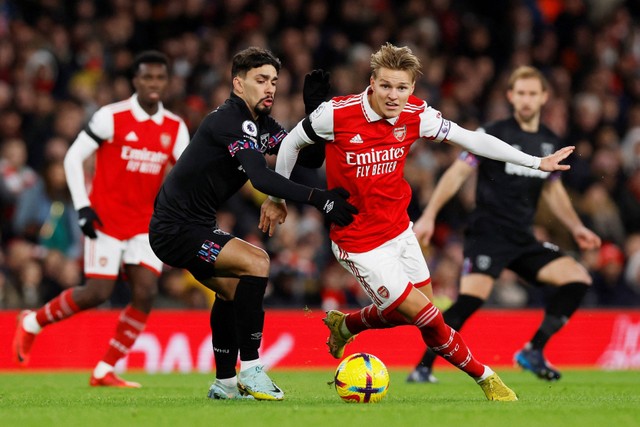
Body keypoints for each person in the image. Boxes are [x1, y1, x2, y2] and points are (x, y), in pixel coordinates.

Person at [263, 44, 576, 402]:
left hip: (399, 229)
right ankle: (486, 378)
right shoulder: (335, 114)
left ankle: (346, 324)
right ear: (372, 83)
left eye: (401, 88)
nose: (393, 96)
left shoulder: (417, 114)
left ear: (412, 89)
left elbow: (472, 139)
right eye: (386, 86)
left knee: (417, 315)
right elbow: (290, 144)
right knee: (428, 316)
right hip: (358, 241)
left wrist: (537, 163)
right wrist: (277, 198)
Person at [148, 47, 356, 401]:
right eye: (261, 80)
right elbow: (260, 178)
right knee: (257, 261)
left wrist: (315, 114)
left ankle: (225, 384)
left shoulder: (261, 125)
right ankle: (253, 370)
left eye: (274, 81)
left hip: (190, 226)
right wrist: (320, 199)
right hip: (176, 227)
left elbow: (309, 156)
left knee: (231, 291)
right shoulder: (230, 120)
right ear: (238, 84)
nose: (269, 88)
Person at [405, 65, 600, 384]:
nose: (526, 99)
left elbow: (553, 190)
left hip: (523, 237)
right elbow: (457, 173)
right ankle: (423, 367)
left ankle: (533, 351)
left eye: (532, 93)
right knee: (470, 301)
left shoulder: (550, 141)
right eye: (520, 93)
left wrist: (576, 227)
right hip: (488, 234)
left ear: (544, 98)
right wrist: (429, 215)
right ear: (510, 96)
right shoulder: (490, 133)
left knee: (577, 279)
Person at [12, 50, 190, 388]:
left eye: (159, 78)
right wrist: (82, 206)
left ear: (166, 82)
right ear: (135, 80)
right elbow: (72, 157)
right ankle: (32, 322)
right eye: (147, 77)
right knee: (96, 292)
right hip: (105, 219)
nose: (153, 84)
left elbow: (185, 177)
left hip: (145, 225)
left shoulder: (175, 128)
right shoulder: (112, 117)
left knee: (146, 292)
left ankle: (104, 369)